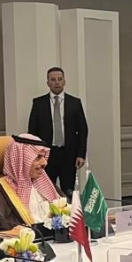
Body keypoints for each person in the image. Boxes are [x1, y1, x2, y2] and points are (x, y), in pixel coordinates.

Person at [28, 67, 88, 195]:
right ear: (48, 83)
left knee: (68, 190)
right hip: (46, 155)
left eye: (59, 79)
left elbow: (83, 130)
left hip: (69, 154)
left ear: (64, 81)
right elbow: (32, 132)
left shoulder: (75, 103)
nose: (56, 82)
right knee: (47, 190)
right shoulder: (39, 103)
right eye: (53, 80)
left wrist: (81, 154)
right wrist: (35, 155)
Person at [0, 134, 62, 233]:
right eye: (38, 157)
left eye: (44, 156)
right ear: (20, 159)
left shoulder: (47, 184)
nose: (44, 163)